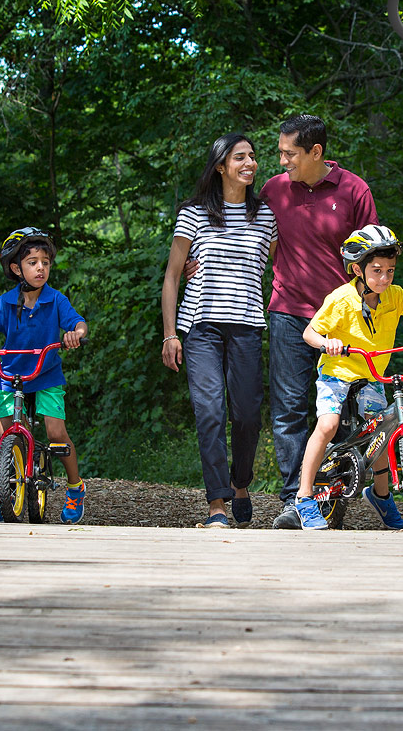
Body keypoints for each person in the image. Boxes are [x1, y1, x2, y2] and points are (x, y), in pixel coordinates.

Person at [292, 225, 403, 530]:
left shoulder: (394, 296)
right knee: (327, 425)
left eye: (390, 270)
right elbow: (309, 332)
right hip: (337, 373)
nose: (384, 278)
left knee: (380, 431)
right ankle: (304, 498)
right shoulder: (341, 300)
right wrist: (327, 342)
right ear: (358, 269)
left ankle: (381, 496)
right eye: (377, 270)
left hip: (372, 375)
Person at [260, 114, 379, 529]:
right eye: (279, 152)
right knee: (289, 409)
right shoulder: (273, 190)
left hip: (342, 320)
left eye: (289, 153)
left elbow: (374, 260)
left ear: (316, 152)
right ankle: (298, 499)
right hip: (288, 312)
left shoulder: (353, 190)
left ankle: (333, 495)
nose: (282, 161)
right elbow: (247, 235)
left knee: (343, 410)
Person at [161, 133, 277, 528]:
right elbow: (172, 277)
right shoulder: (193, 214)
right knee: (209, 412)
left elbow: (282, 271)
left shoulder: (265, 215)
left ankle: (240, 483)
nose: (250, 163)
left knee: (247, 416)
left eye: (253, 157)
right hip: (200, 328)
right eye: (240, 157)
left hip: (247, 325)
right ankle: (217, 505)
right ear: (220, 166)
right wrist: (170, 334)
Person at [0, 227, 89, 524]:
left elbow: (78, 322)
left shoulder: (55, 300)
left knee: (56, 433)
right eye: (32, 262)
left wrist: (76, 334)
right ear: (15, 268)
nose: (40, 268)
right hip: (11, 375)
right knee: (1, 434)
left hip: (45, 374)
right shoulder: (5, 303)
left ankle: (75, 488)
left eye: (45, 262)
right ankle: (1, 493)